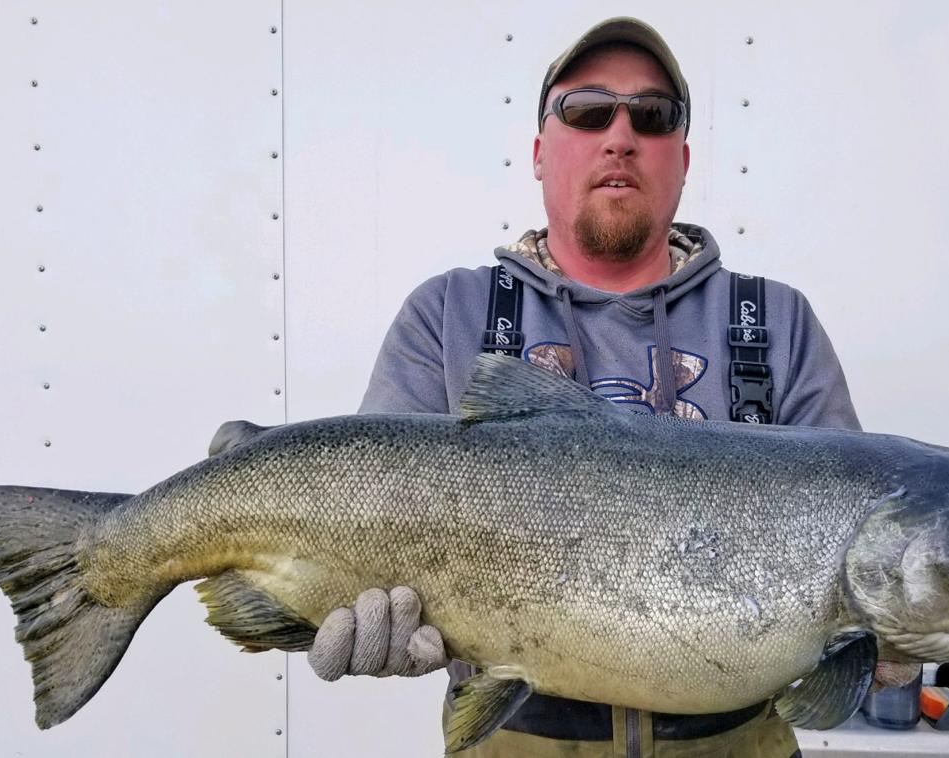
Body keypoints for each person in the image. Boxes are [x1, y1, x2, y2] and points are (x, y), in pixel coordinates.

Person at [308, 17, 860, 757]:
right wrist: (354, 608)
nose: (620, 135)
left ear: (683, 159)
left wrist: (889, 643)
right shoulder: (447, 315)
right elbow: (364, 521)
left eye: (653, 116)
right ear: (540, 152)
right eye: (588, 110)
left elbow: (861, 557)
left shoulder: (777, 323)